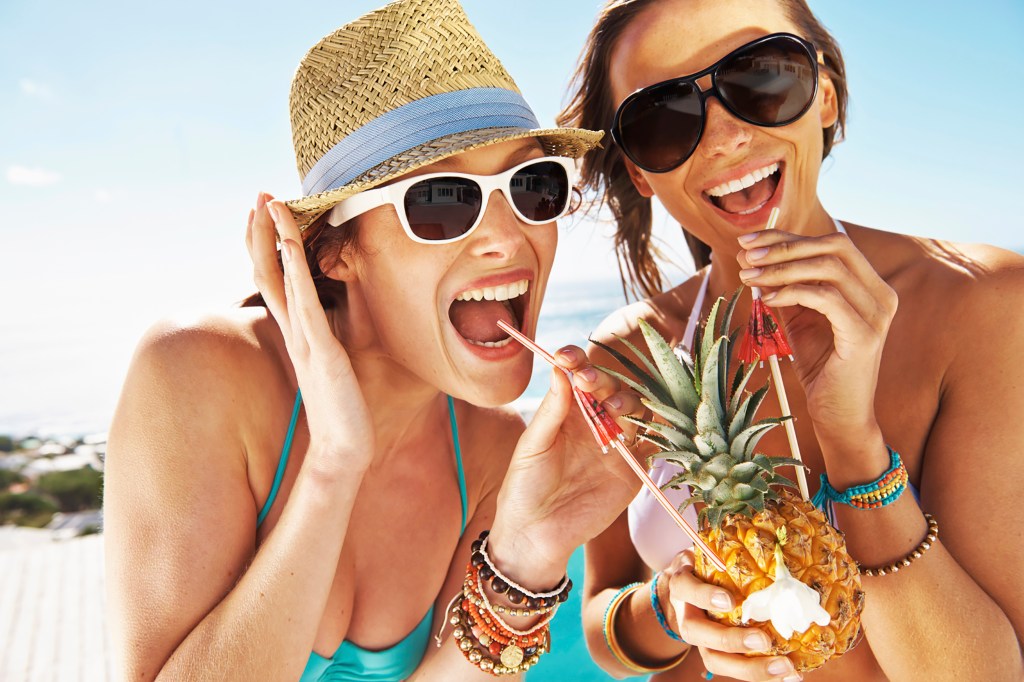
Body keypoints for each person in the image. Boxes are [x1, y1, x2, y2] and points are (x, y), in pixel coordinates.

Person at [102, 1, 640, 680]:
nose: (508, 238)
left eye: (532, 186)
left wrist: (525, 554)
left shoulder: (499, 453)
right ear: (334, 253)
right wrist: (334, 464)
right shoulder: (197, 374)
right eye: (442, 200)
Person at [557, 0, 1024, 680]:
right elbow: (602, 617)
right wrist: (667, 609)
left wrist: (855, 446)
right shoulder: (632, 355)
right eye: (663, 118)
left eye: (761, 77)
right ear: (638, 172)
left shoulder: (984, 305)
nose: (722, 140)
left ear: (824, 95)